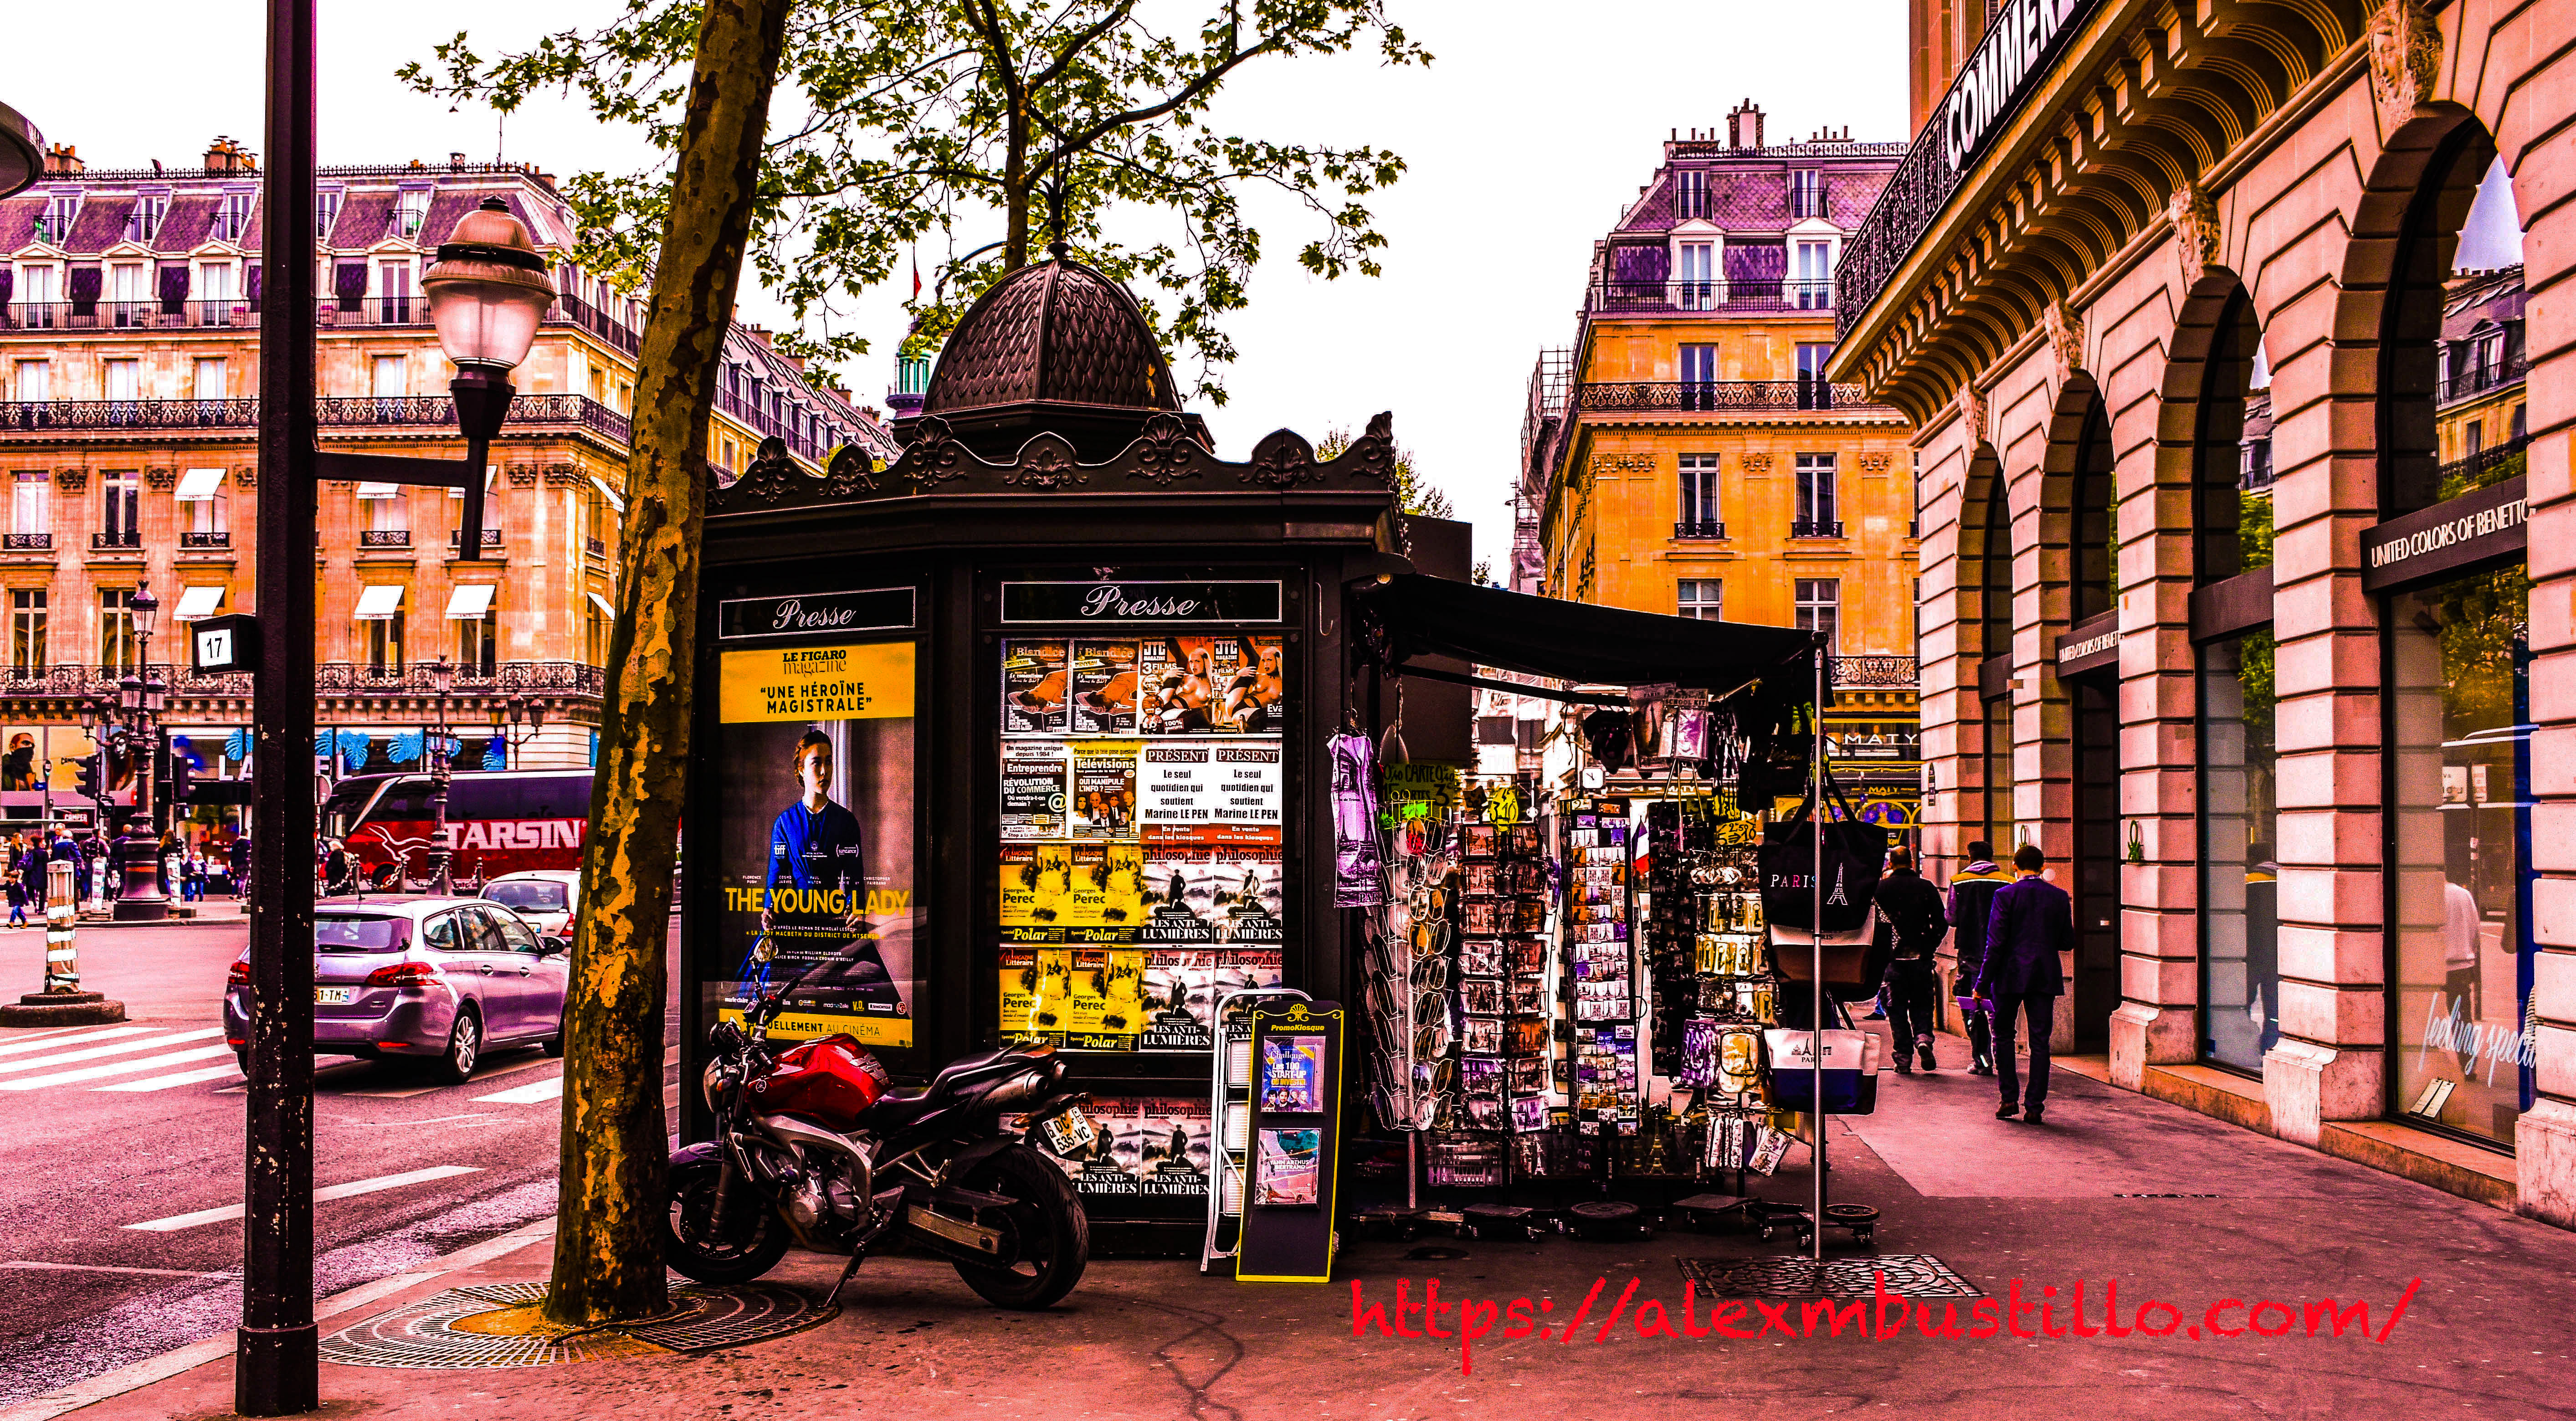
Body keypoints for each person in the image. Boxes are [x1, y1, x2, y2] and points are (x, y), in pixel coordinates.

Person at [750, 728, 897, 1004]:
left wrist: (857, 908)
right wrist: (769, 906)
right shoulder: (784, 822)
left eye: (829, 762)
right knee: (780, 991)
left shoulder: (846, 821)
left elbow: (855, 874)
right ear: (801, 770)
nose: (825, 770)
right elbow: (777, 871)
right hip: (793, 916)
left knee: (869, 985)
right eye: (817, 762)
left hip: (834, 917)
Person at [1978, 842, 2072, 1123]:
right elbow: (2068, 942)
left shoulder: (2005, 895)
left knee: (2004, 1036)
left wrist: (1982, 983)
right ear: (2043, 867)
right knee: (2040, 1041)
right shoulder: (2059, 896)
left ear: (2015, 867)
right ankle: (2035, 1106)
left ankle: (2009, 1099)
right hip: (2044, 975)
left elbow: (1995, 944)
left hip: (2008, 975)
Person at [1874, 848, 1949, 1073]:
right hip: (1921, 958)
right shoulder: (1926, 887)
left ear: (1891, 863)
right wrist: (1930, 945)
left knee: (1896, 1008)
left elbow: (1873, 924)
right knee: (1922, 1002)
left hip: (1893, 959)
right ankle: (1923, 1038)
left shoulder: (1880, 889)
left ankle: (1903, 1057)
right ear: (1912, 862)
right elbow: (1942, 921)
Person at [1945, 841, 2014, 1075]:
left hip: (1969, 953)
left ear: (1969, 857)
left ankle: (1982, 1060)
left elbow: (1951, 918)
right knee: (1999, 1007)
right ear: (1992, 856)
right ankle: (2003, 1056)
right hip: (2001, 954)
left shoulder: (1959, 881)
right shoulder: (2007, 881)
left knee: (1973, 1006)